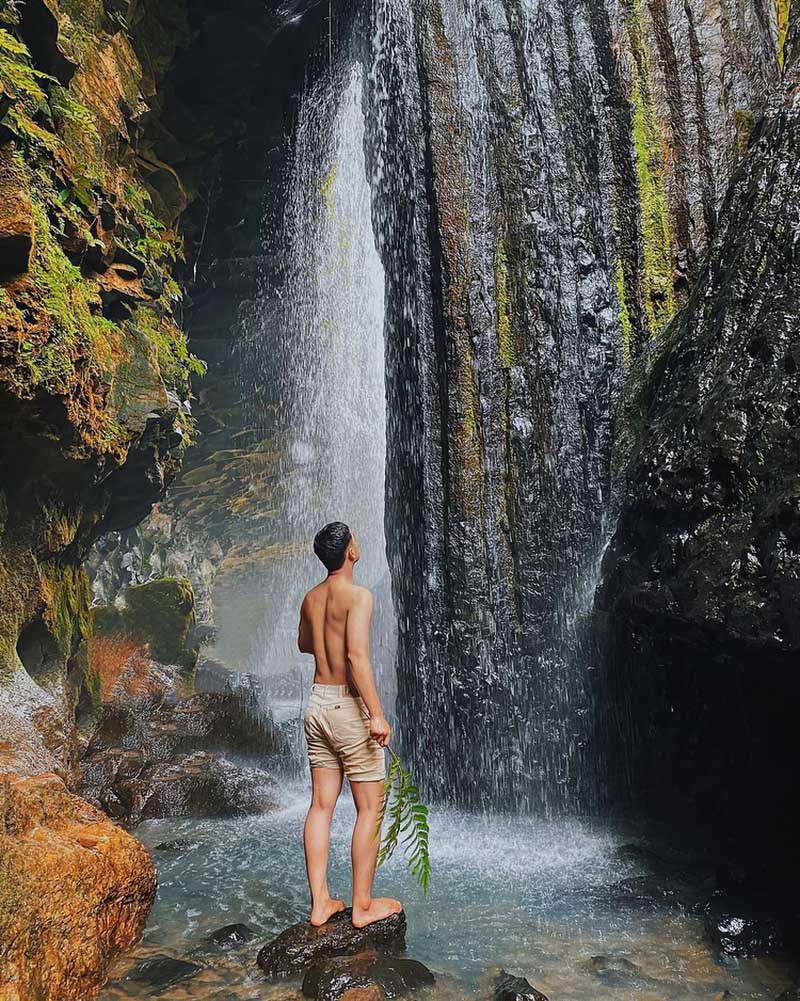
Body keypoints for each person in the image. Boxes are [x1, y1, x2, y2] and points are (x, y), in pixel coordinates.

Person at [297, 521, 402, 928]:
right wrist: (376, 713)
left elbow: (305, 644)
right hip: (347, 708)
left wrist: (326, 636)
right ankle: (362, 905)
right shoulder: (359, 597)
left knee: (321, 805)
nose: (358, 543)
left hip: (317, 704)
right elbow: (358, 659)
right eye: (354, 539)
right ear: (350, 553)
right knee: (370, 808)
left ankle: (320, 902)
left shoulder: (310, 597)